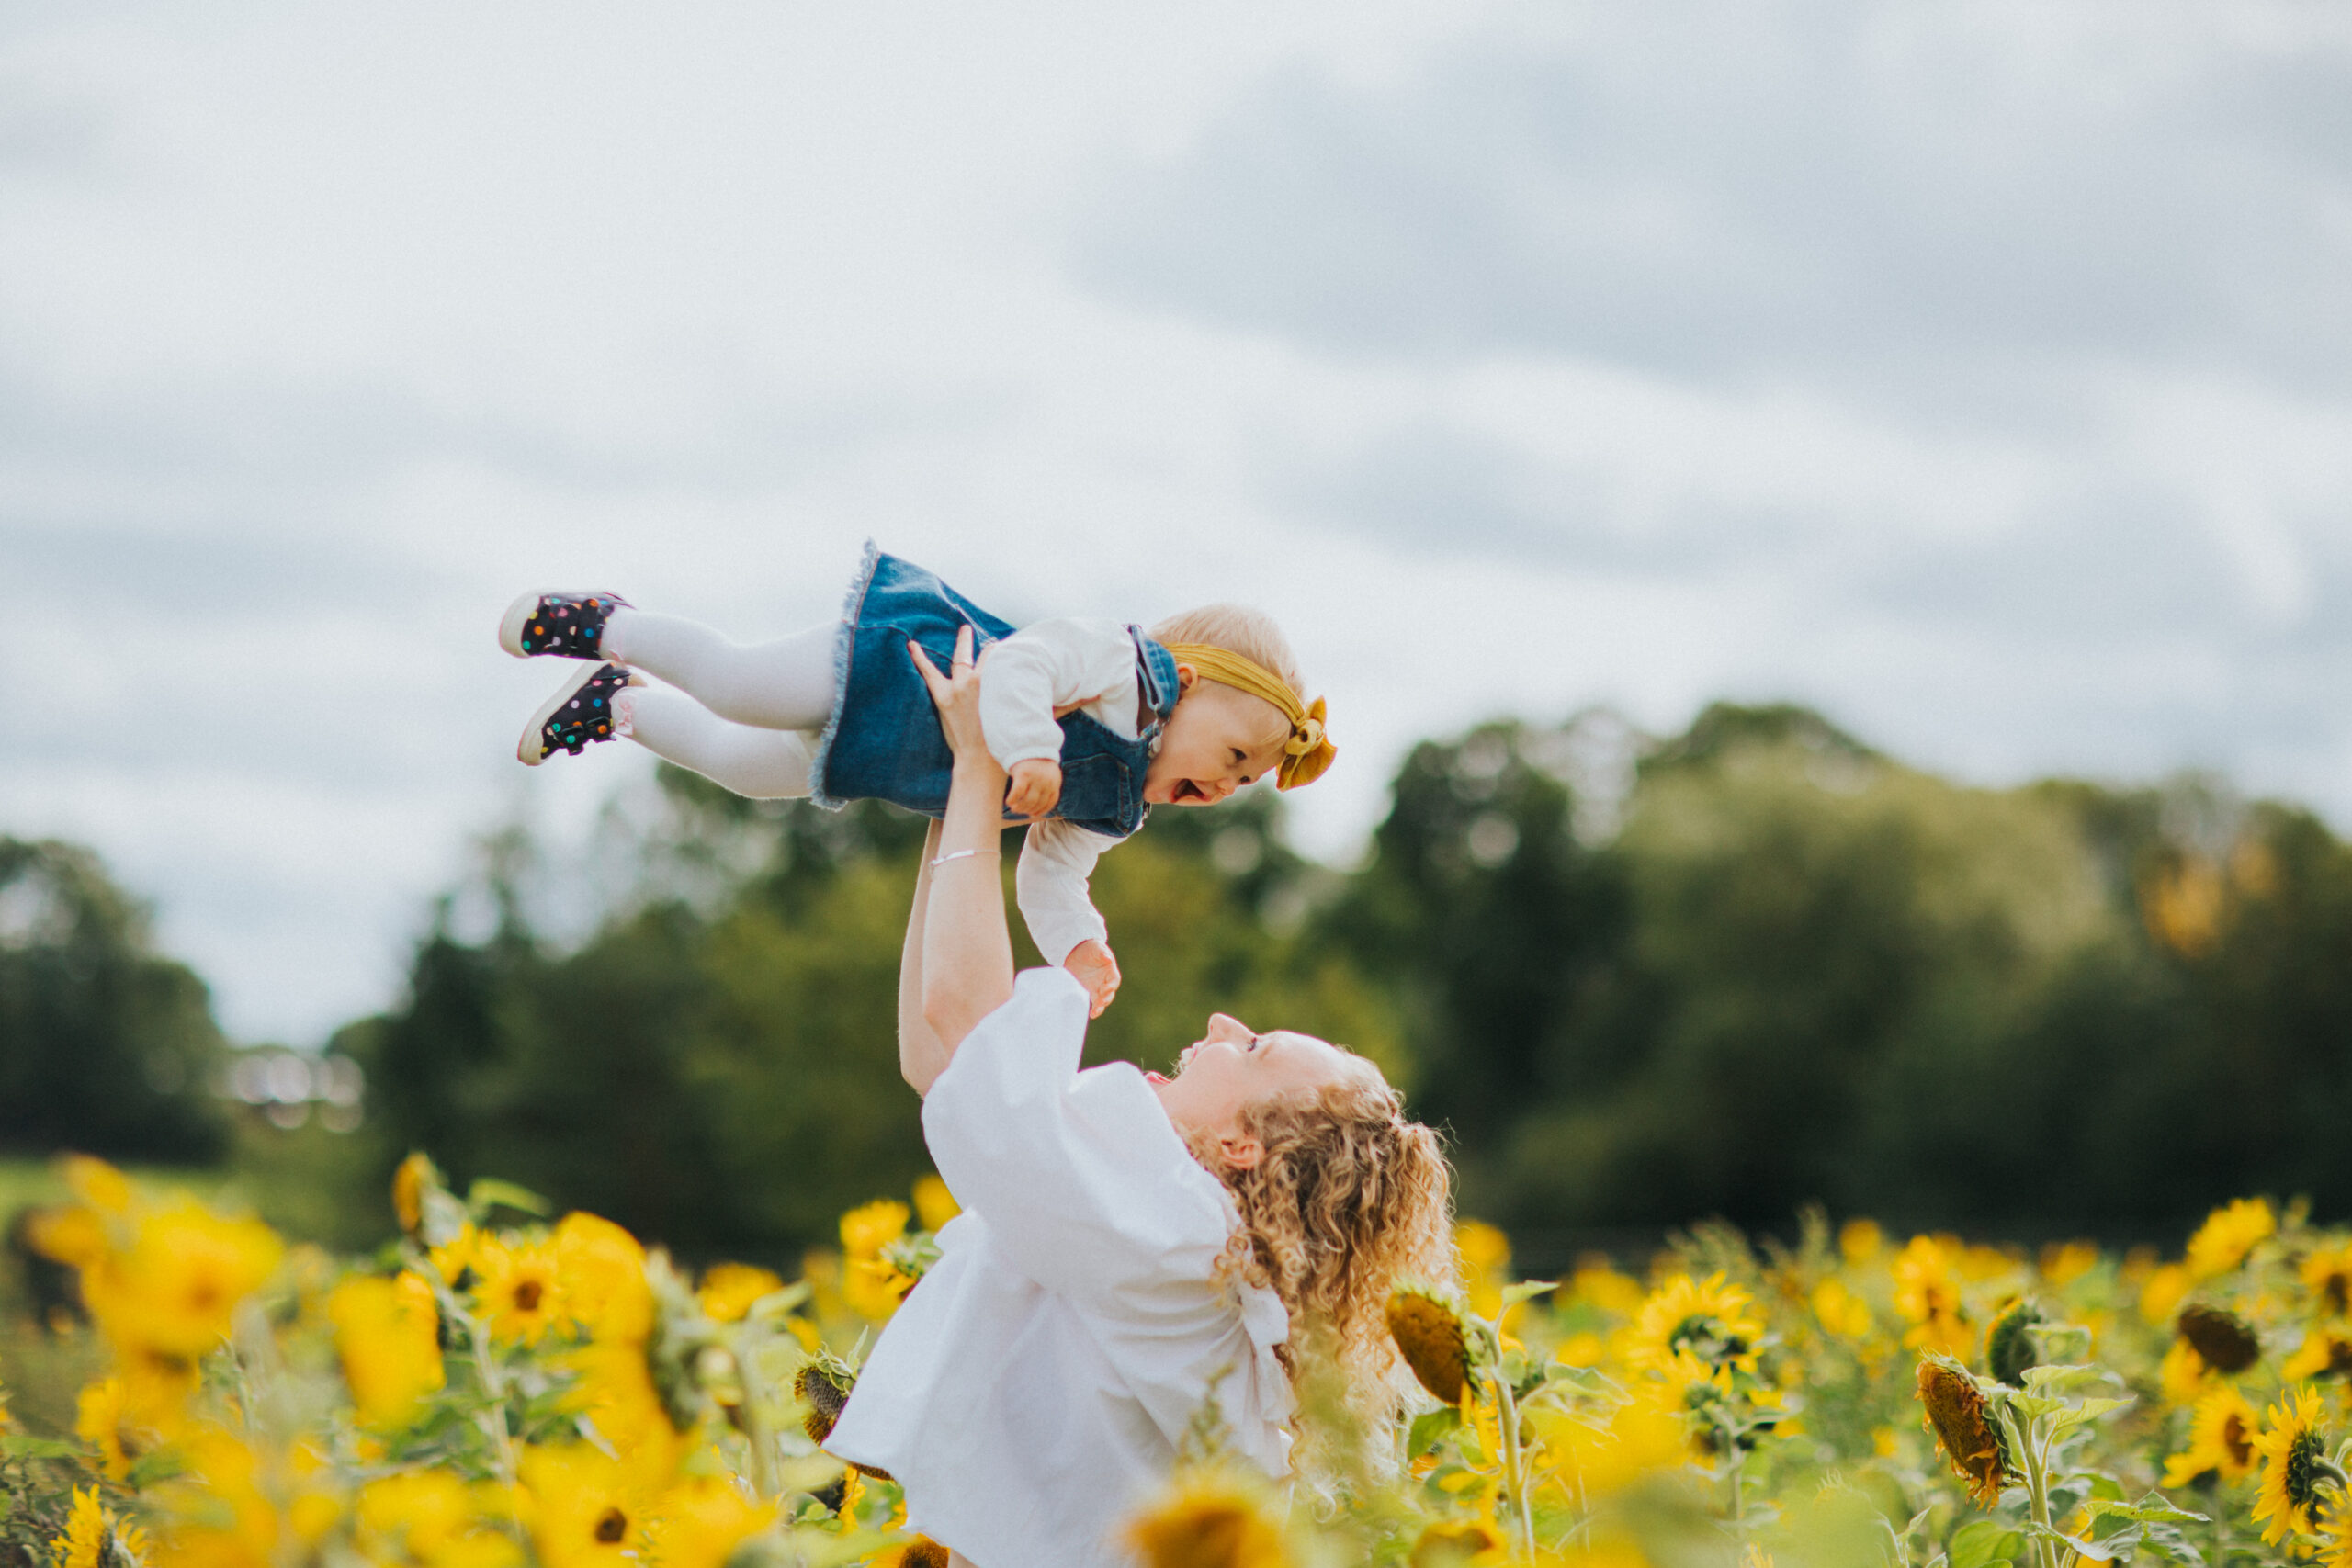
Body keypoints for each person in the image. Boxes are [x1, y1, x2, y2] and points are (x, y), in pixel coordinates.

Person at [821, 625, 1452, 1568]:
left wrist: (973, 771)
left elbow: (962, 1024)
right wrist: (949, 797)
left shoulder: (1167, 1229)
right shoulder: (1176, 1232)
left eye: (1257, 1047)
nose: (1223, 1023)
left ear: (1244, 1147)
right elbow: (946, 1063)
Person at [497, 545, 1336, 1014]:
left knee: (746, 771)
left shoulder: (1115, 806)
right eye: (1234, 758)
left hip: (890, 758)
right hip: (893, 667)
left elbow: (1051, 870)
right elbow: (1019, 667)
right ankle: (609, 624)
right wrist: (1034, 749)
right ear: (1186, 682)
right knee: (739, 685)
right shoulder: (1123, 666)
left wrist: (1077, 941)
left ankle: (617, 710)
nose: (1229, 788)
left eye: (1246, 782)